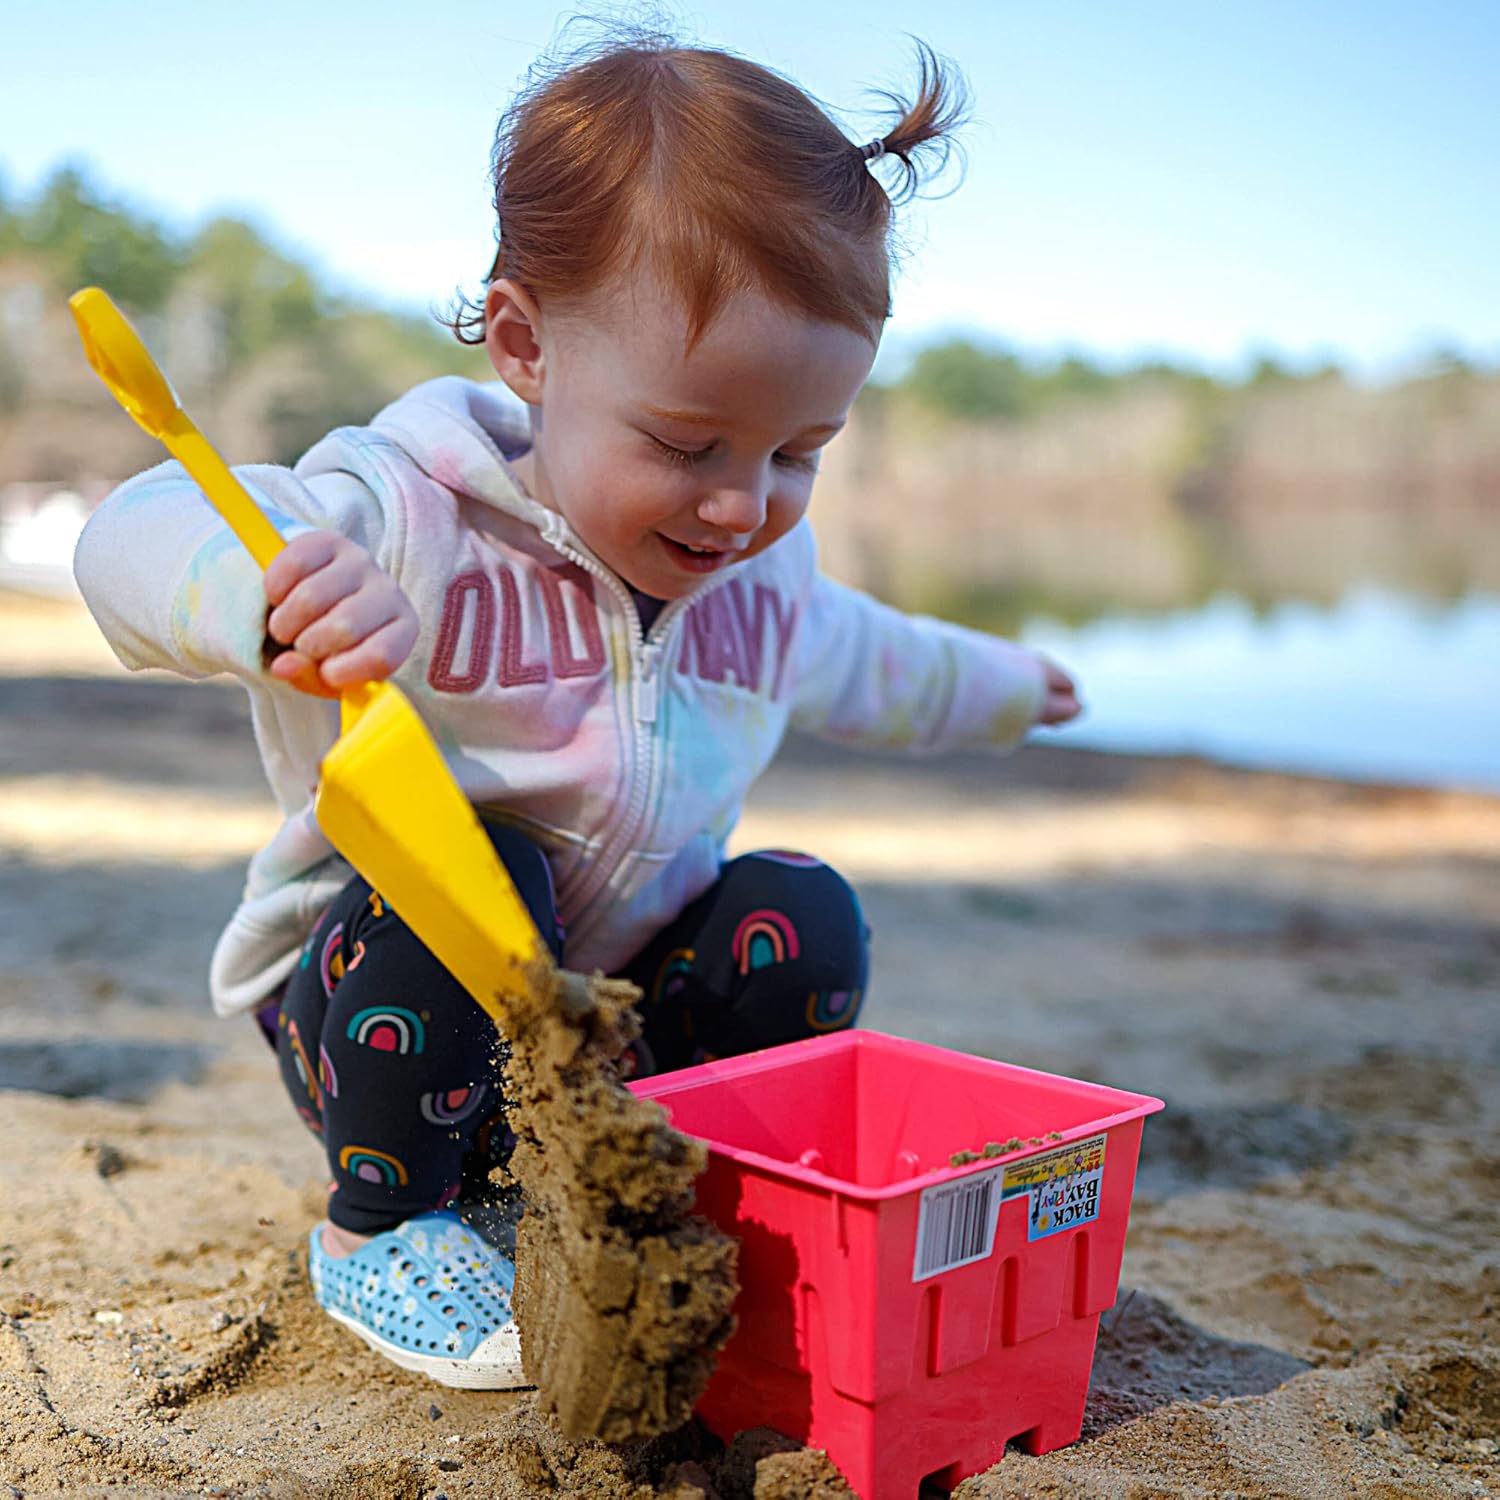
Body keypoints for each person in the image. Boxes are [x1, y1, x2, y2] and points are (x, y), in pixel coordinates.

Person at [74, 27, 1082, 1390]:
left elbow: (880, 662)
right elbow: (132, 534)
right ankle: (386, 1228)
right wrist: (265, 595)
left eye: (798, 454)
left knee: (801, 912)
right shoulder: (402, 517)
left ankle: (689, 1170)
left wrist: (1015, 687)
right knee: (479, 870)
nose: (742, 506)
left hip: (602, 1025)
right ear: (528, 344)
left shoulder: (765, 584)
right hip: (381, 1017)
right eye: (687, 444)